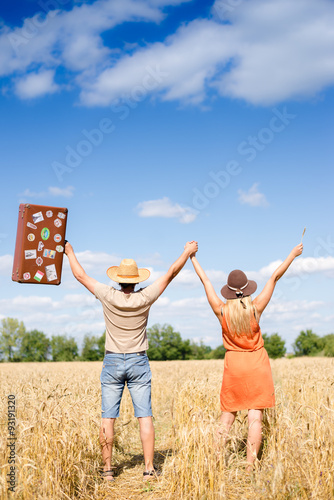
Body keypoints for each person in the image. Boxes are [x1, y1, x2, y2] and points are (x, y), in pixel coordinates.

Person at [64, 240, 198, 481]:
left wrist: (69, 251)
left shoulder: (107, 295)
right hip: (138, 361)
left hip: (112, 361)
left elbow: (80, 275)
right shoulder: (145, 297)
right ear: (136, 280)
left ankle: (107, 471)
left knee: (108, 417)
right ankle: (148, 470)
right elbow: (171, 273)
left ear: (118, 279)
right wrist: (187, 253)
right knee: (144, 415)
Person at [190, 243, 303, 470]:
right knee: (255, 418)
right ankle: (251, 466)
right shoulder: (256, 308)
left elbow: (206, 282)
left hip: (234, 364)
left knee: (227, 418)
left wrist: (193, 258)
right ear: (247, 288)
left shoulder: (220, 310)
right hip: (257, 363)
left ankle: (215, 462)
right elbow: (274, 277)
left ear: (229, 291)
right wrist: (292, 254)